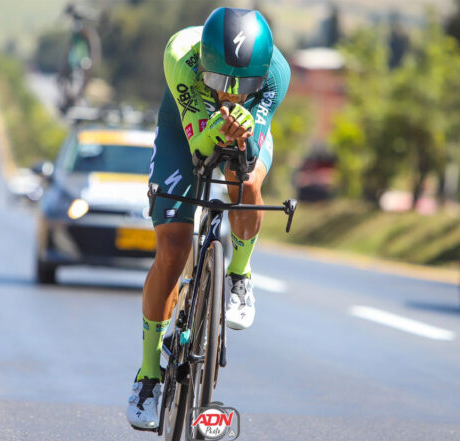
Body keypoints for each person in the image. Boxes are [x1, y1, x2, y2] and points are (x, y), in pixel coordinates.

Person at [127, 7, 291, 430]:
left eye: (244, 87)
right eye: (220, 83)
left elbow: (248, 154)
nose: (231, 94)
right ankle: (148, 375)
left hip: (242, 132)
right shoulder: (181, 56)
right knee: (174, 247)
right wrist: (216, 129)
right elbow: (199, 151)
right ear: (204, 65)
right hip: (185, 130)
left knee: (248, 181)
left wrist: (242, 134)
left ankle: (239, 274)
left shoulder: (276, 75)